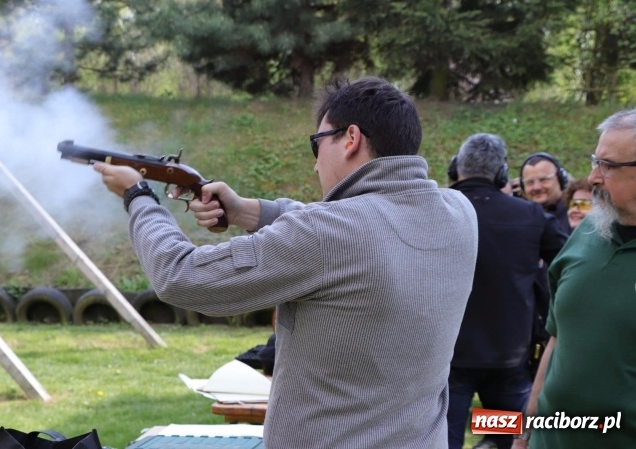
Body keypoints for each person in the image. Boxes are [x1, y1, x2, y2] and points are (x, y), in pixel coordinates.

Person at [94, 76, 479, 448]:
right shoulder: (459, 213)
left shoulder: (329, 234)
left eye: (317, 144)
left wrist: (138, 196)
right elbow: (357, 226)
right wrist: (247, 211)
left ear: (350, 139)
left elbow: (179, 275)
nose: (315, 165)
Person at [513, 108, 636, 448]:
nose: (593, 177)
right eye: (596, 161)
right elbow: (557, 340)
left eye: (607, 166)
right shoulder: (586, 234)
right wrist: (524, 434)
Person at [446, 134, 567, 449]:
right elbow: (570, 264)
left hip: (448, 360)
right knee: (509, 441)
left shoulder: (433, 212)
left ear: (455, 168)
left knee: (443, 442)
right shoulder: (530, 216)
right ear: (502, 174)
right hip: (509, 359)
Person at [518, 152, 571, 233]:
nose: (536, 187)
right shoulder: (518, 219)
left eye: (544, 180)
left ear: (561, 180)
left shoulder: (577, 215)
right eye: (530, 182)